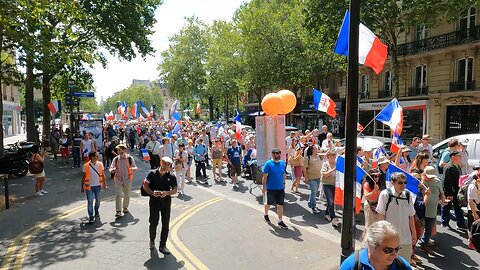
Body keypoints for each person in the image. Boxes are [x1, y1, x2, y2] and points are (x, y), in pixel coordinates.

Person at [376, 172, 416, 261]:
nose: (403, 185)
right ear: (393, 182)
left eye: (405, 183)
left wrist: (413, 233)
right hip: (390, 238)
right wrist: (382, 234)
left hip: (405, 238)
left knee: (404, 263)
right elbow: (381, 216)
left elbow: (411, 216)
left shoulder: (408, 195)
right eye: (400, 182)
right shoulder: (385, 195)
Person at [339, 220, 412, 270]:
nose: (394, 255)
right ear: (372, 246)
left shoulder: (403, 266)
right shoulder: (351, 266)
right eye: (388, 250)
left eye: (397, 249)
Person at [142, 156, 178, 255]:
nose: (165, 166)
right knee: (153, 223)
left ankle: (163, 245)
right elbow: (145, 186)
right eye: (164, 163)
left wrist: (167, 193)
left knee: (165, 224)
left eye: (168, 165)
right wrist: (152, 192)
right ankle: (152, 241)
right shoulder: (152, 173)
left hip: (166, 203)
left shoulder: (171, 176)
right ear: (160, 162)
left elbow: (175, 189)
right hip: (154, 202)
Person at [418, 166, 446, 255]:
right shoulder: (419, 182)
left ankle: (424, 244)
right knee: (418, 228)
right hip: (421, 210)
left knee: (429, 229)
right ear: (424, 174)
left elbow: (441, 193)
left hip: (432, 210)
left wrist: (444, 200)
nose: (429, 178)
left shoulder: (438, 181)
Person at [262, 148, 288, 229]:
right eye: (276, 153)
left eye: (279, 153)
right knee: (269, 203)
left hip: (280, 188)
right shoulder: (268, 164)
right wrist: (264, 188)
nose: (278, 155)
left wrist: (284, 183)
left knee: (280, 205)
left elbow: (283, 174)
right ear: (272, 154)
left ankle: (280, 221)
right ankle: (266, 214)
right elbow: (264, 177)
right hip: (271, 188)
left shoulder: (282, 163)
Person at [110, 144, 138, 218]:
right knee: (118, 195)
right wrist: (113, 170)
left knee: (127, 195)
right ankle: (118, 211)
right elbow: (111, 168)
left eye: (119, 150)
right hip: (118, 179)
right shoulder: (116, 159)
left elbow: (134, 166)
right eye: (117, 150)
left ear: (124, 150)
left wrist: (133, 169)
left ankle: (125, 207)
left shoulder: (129, 158)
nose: (118, 151)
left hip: (127, 179)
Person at [441, 150, 467, 229]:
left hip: (456, 190)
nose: (460, 157)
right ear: (453, 157)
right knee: (447, 207)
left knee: (458, 207)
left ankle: (460, 223)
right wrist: (449, 194)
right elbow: (447, 181)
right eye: (459, 156)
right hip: (450, 191)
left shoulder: (456, 165)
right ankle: (445, 222)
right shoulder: (449, 167)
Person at [81, 151, 108, 223]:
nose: (98, 157)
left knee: (98, 201)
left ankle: (96, 210)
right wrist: (82, 187)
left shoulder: (100, 164)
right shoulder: (85, 166)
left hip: (98, 186)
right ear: (92, 157)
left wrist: (105, 184)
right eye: (96, 156)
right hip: (89, 186)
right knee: (90, 201)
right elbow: (83, 177)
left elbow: (103, 175)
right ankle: (91, 216)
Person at [321, 150, 339, 226]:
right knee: (331, 201)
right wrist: (332, 170)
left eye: (334, 157)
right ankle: (333, 218)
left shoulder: (337, 164)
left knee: (331, 201)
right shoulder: (325, 164)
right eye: (331, 157)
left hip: (335, 185)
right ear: (328, 157)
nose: (332, 158)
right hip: (327, 184)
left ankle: (326, 213)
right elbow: (324, 174)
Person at [302, 145, 322, 213]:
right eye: (316, 148)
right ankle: (314, 206)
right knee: (314, 192)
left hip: (318, 177)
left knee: (314, 192)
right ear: (312, 150)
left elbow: (326, 154)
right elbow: (304, 168)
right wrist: (306, 178)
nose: (317, 149)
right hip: (311, 178)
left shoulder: (318, 156)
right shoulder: (307, 158)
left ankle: (310, 202)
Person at [467, 163, 480, 232]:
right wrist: (474, 214)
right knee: (473, 231)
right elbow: (470, 200)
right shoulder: (473, 185)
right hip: (474, 210)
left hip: (478, 208)